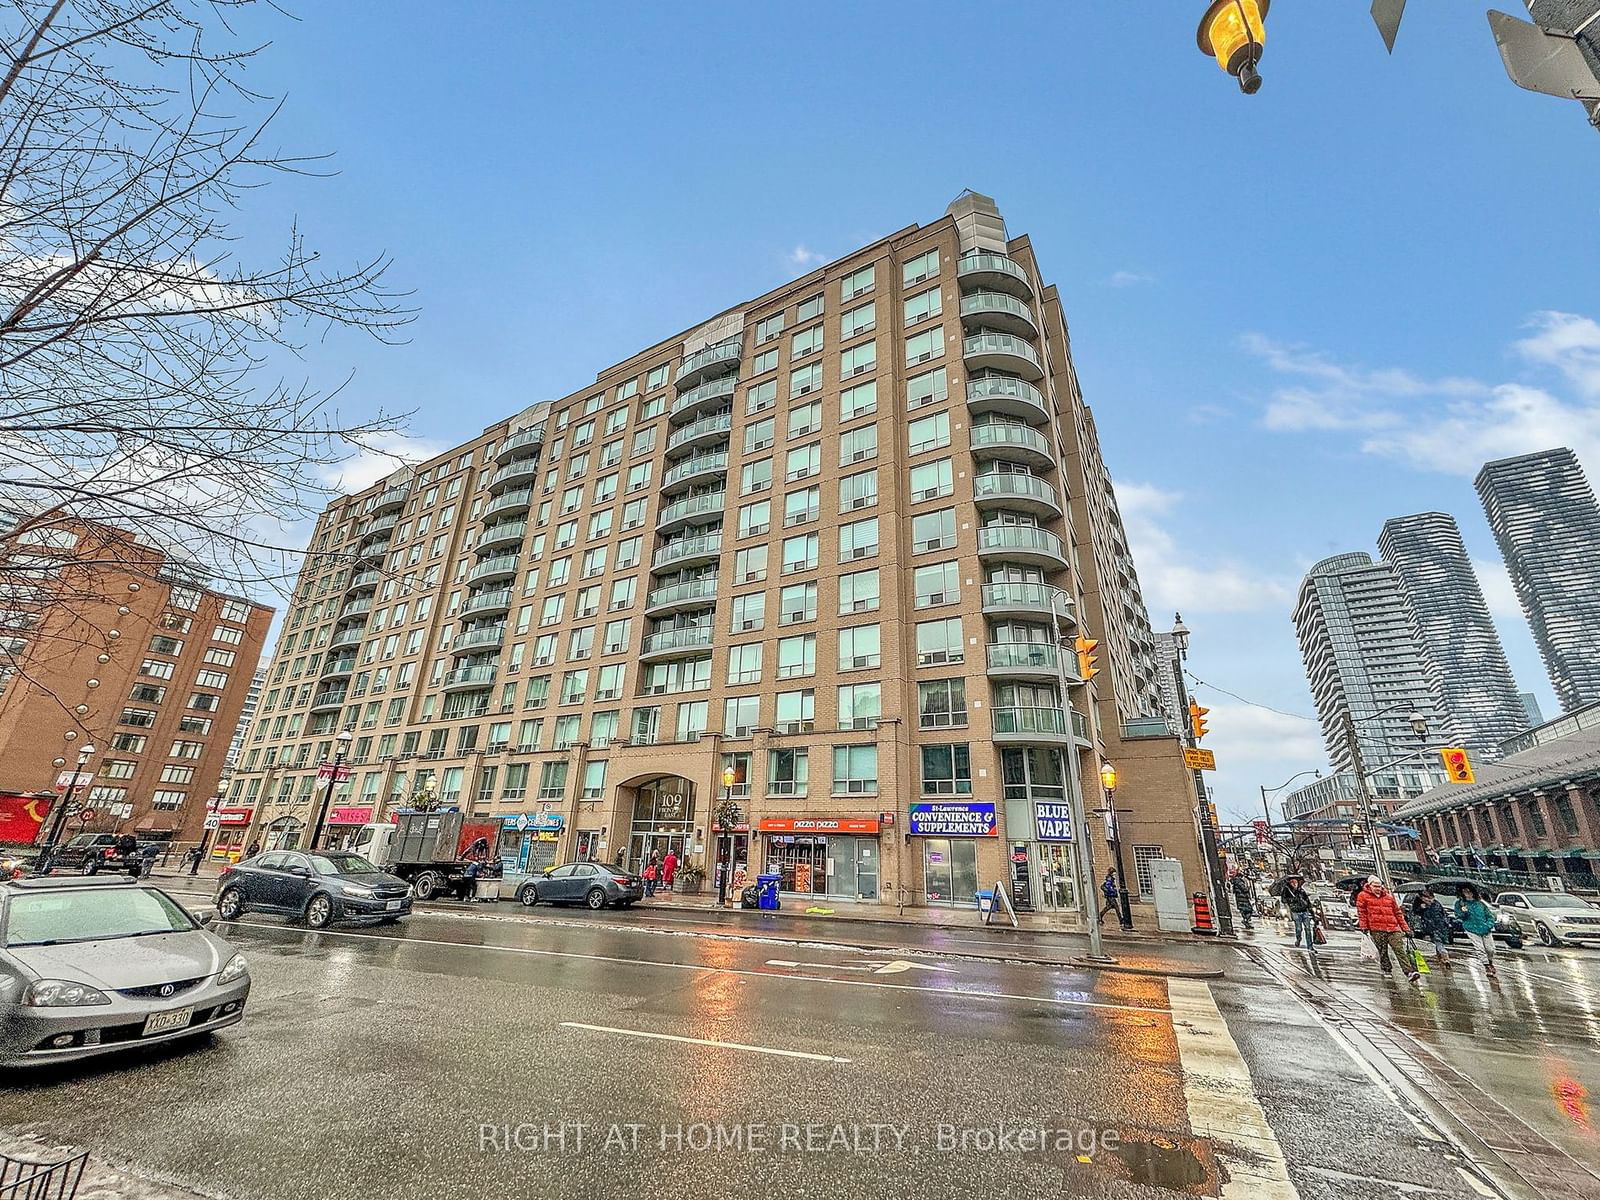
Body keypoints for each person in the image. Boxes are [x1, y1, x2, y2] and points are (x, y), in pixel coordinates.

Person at [1355, 876, 1420, 982]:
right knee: (1383, 951)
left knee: (1399, 949)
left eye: (1379, 886)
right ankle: (1386, 969)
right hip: (1376, 928)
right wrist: (1364, 927)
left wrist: (1405, 929)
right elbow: (1362, 913)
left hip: (1393, 928)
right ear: (1369, 885)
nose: (1377, 888)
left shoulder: (1389, 897)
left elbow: (1398, 913)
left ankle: (1409, 972)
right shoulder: (1363, 896)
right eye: (1375, 886)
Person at [1455, 883, 1499, 979]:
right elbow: (1459, 916)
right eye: (1465, 892)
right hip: (1471, 928)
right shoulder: (1460, 904)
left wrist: (1489, 925)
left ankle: (1490, 962)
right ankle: (1487, 966)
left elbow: (1490, 916)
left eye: (1469, 891)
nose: (1467, 893)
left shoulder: (1480, 903)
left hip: (1485, 928)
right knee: (1480, 948)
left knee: (1490, 949)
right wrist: (1464, 912)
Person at [1271, 872, 1319, 952]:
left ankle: (1310, 946)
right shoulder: (1287, 891)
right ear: (1290, 883)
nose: (1295, 883)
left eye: (1296, 882)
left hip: (1304, 911)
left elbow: (1308, 901)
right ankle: (1298, 938)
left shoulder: (1301, 891)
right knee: (1299, 928)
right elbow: (1284, 900)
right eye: (1293, 882)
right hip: (1295, 912)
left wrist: (1312, 913)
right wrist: (1292, 900)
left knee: (1308, 929)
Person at [1409, 886, 1453, 971]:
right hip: (1434, 927)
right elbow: (1416, 912)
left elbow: (1440, 915)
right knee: (1437, 943)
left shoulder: (1434, 905)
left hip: (1435, 927)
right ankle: (1441, 959)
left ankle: (1445, 957)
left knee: (1438, 943)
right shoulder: (1427, 904)